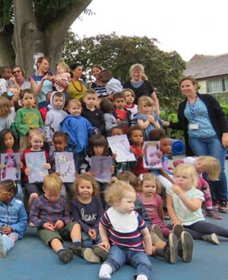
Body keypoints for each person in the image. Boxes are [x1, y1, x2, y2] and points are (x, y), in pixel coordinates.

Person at [165, 76, 228, 212]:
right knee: (203, 169)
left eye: (188, 85)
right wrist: (167, 123)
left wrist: (225, 133)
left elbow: (221, 116)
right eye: (182, 86)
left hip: (214, 137)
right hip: (196, 139)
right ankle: (212, 199)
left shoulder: (208, 99)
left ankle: (223, 198)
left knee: (218, 168)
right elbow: (182, 124)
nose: (185, 88)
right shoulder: (183, 105)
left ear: (195, 86)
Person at [97, 179, 153, 280]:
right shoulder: (109, 215)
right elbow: (102, 226)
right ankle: (105, 271)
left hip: (137, 250)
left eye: (133, 202)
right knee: (113, 259)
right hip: (119, 248)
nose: (133, 205)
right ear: (116, 201)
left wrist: (148, 248)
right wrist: (105, 240)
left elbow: (145, 233)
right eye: (129, 202)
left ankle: (142, 276)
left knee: (145, 263)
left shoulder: (135, 216)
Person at [167, 164, 228, 245]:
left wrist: (180, 194)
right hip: (180, 221)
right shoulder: (170, 189)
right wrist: (174, 219)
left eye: (184, 177)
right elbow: (169, 206)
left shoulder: (197, 193)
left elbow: (193, 207)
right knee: (172, 229)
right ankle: (204, 236)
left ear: (192, 179)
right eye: (177, 176)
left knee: (209, 228)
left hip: (195, 220)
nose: (180, 179)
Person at [30, 174, 77, 264]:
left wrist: (63, 222)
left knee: (76, 225)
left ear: (60, 191)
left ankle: (77, 244)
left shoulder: (62, 201)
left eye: (56, 195)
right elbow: (32, 217)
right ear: (44, 189)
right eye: (50, 195)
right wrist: (43, 224)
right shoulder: (38, 201)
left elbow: (67, 216)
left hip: (61, 226)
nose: (53, 198)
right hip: (47, 228)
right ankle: (61, 251)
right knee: (53, 239)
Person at [0, 179, 27, 258]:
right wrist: (1, 226)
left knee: (10, 238)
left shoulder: (19, 205)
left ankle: (3, 249)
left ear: (9, 195)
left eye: (0, 192)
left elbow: (23, 222)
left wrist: (12, 228)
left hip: (14, 232)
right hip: (0, 230)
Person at [69, 174, 105, 263]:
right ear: (77, 188)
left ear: (93, 189)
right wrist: (88, 229)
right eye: (82, 187)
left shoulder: (96, 200)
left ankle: (101, 253)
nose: (85, 190)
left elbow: (101, 216)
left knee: (101, 240)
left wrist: (96, 230)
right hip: (84, 229)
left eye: (88, 187)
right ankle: (91, 253)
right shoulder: (74, 202)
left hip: (97, 227)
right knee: (87, 243)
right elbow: (77, 219)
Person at [60, 99, 97, 170]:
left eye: (78, 108)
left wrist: (94, 130)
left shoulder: (84, 120)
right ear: (69, 109)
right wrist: (73, 142)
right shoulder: (68, 120)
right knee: (74, 165)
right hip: (73, 147)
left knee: (83, 165)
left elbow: (89, 128)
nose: (76, 110)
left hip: (84, 147)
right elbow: (66, 132)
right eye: (74, 108)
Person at [21, 129, 51, 210]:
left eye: (40, 142)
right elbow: (21, 164)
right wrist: (24, 170)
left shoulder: (44, 152)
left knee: (50, 191)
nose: (38, 144)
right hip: (29, 180)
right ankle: (32, 212)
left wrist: (48, 166)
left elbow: (47, 163)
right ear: (30, 141)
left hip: (42, 179)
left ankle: (48, 211)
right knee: (34, 195)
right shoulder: (26, 152)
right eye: (35, 141)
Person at [0, 128, 23, 201]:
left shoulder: (17, 152)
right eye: (5, 139)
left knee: (19, 192)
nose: (8, 141)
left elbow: (21, 167)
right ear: (1, 141)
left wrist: (21, 165)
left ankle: (20, 209)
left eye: (10, 138)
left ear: (14, 139)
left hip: (15, 180)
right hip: (1, 179)